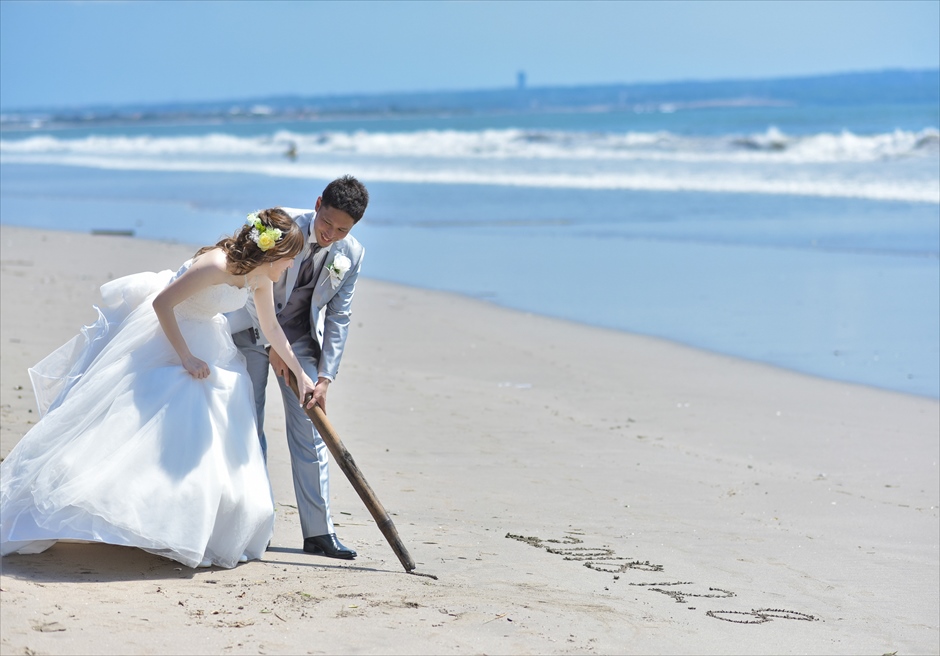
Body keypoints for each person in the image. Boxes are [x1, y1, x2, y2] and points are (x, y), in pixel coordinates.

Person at [0, 209, 315, 569]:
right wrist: (186, 357)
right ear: (272, 252)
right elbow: (162, 303)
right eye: (290, 257)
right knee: (158, 415)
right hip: (171, 334)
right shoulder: (215, 265)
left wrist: (301, 375)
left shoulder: (260, 276)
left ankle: (201, 523)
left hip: (209, 339)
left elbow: (272, 330)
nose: (291, 265)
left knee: (216, 421)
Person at [228, 175, 368, 560]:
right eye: (327, 223)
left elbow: (340, 316)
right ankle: (257, 526)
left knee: (311, 430)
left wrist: (324, 377)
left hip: (301, 340)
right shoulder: (277, 225)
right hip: (251, 330)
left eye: (342, 229)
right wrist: (273, 344)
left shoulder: (351, 253)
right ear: (318, 202)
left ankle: (319, 532)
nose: (331, 234)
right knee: (248, 424)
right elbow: (244, 282)